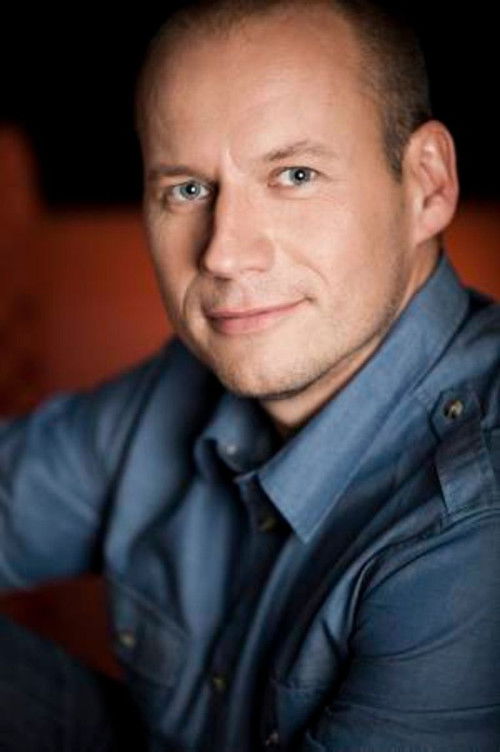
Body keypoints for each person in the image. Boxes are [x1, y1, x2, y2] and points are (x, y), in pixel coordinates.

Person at [1, 0, 500, 749]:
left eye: (295, 175)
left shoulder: (475, 528)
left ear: (426, 184)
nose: (224, 254)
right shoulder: (183, 389)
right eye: (187, 190)